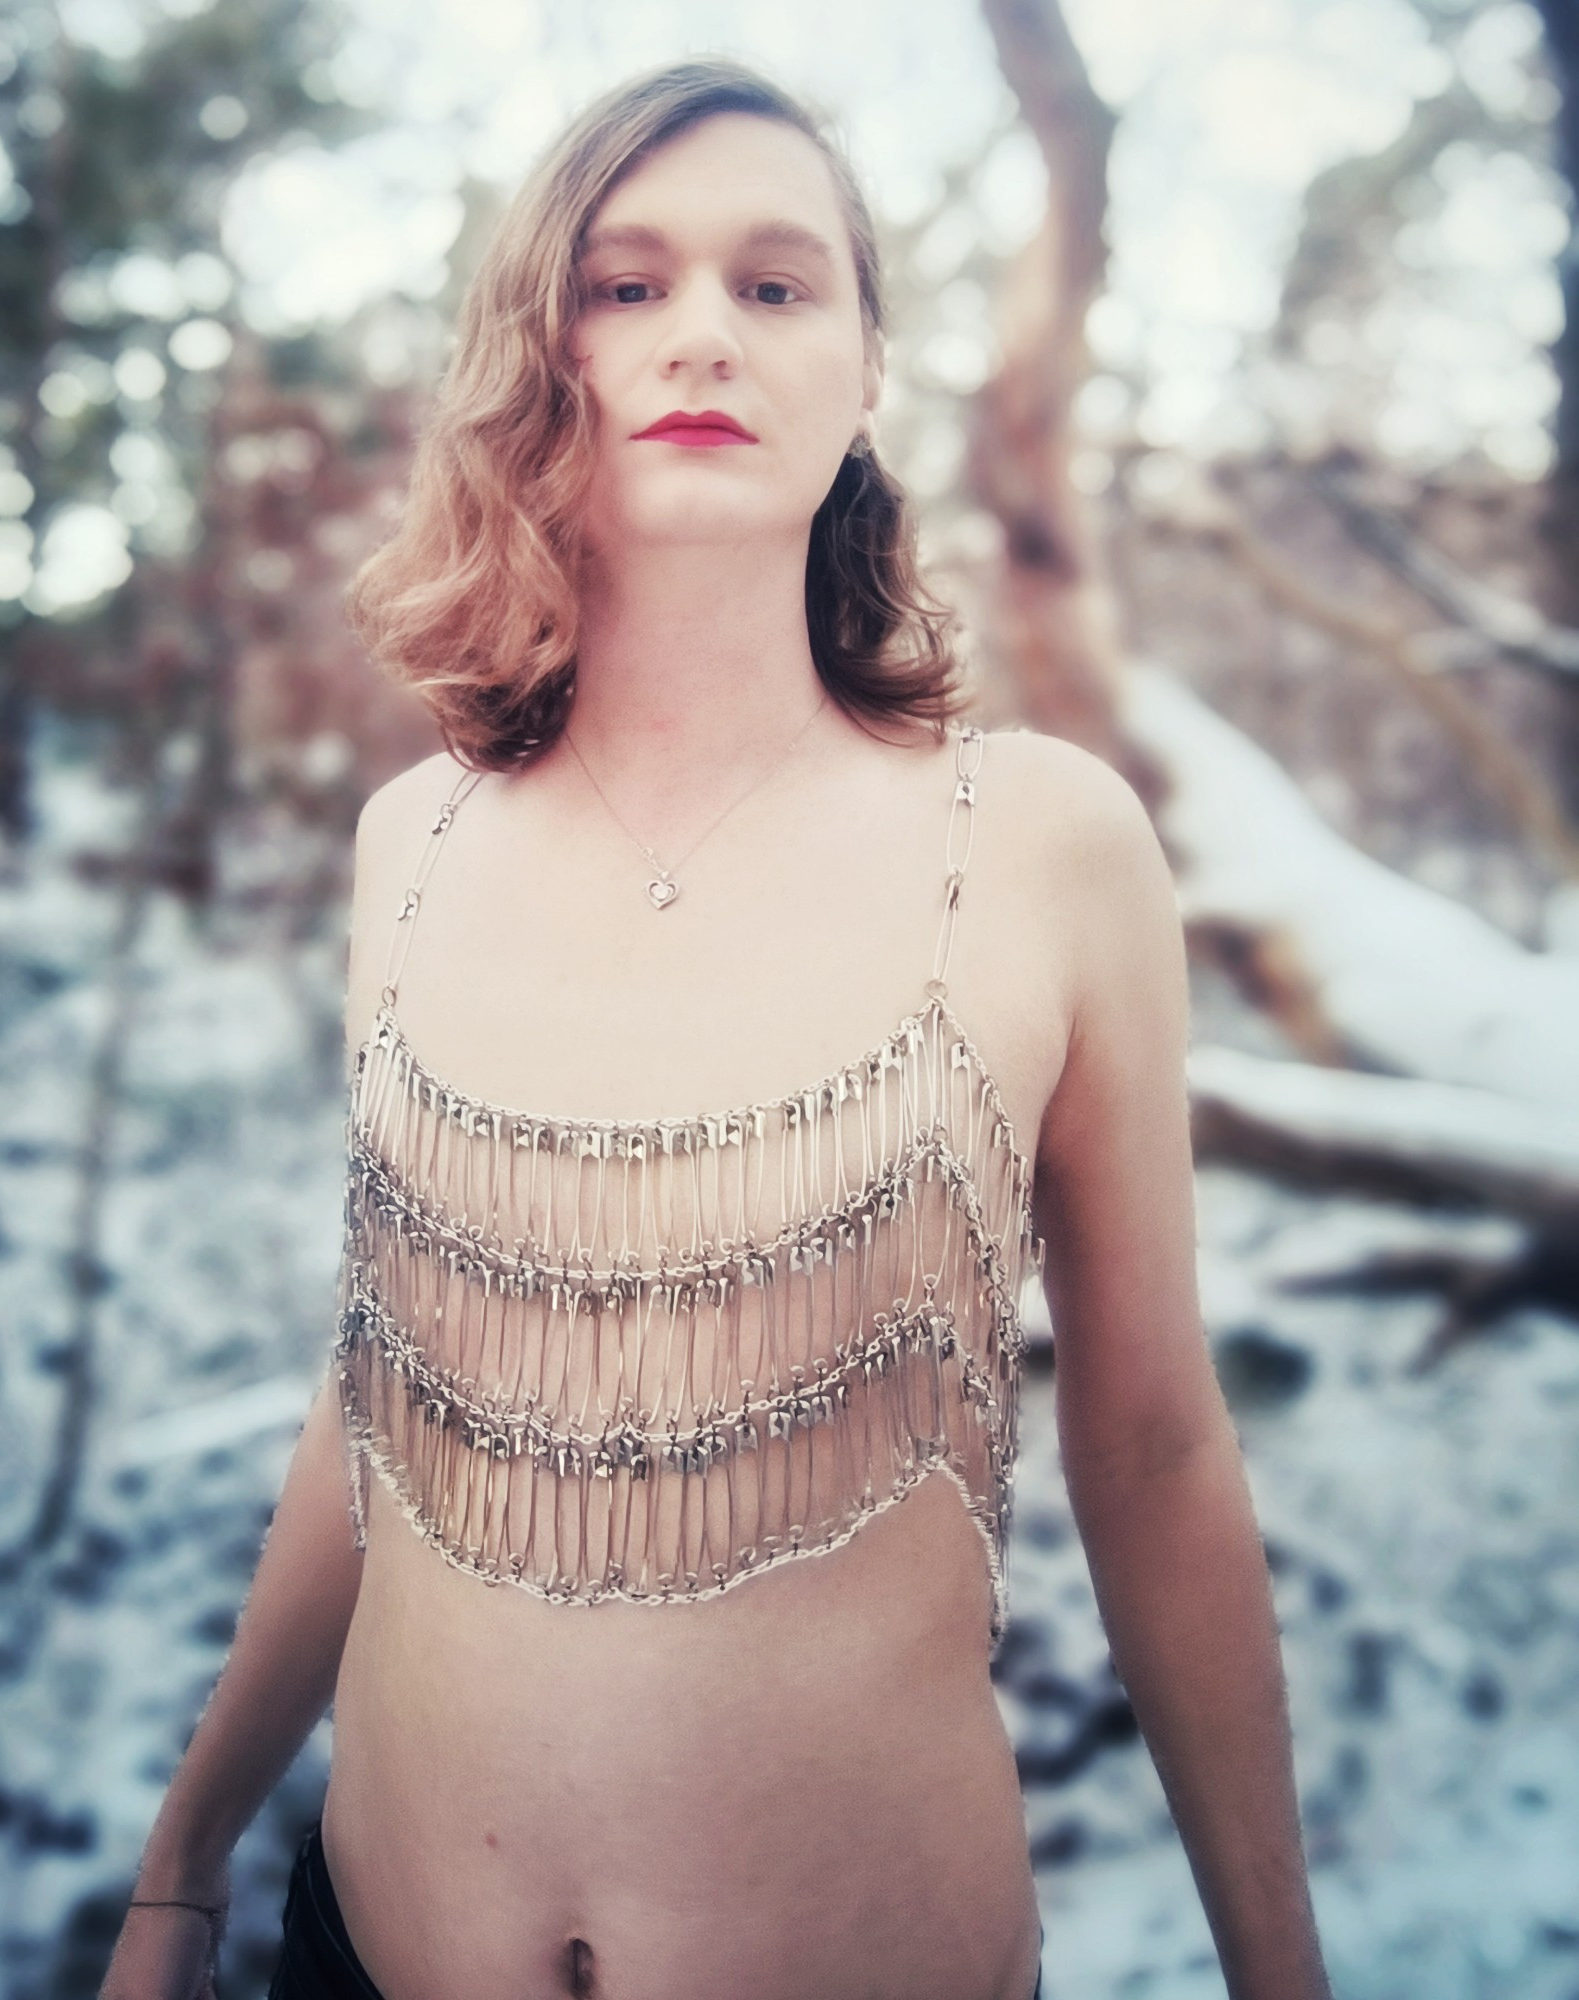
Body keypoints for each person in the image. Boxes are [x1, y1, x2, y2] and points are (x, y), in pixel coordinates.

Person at [99, 57, 1332, 2000]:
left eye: (774, 286)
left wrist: (1284, 1975)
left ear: (860, 377)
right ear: (539, 351)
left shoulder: (1034, 840)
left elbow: (1159, 1445)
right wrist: (182, 1863)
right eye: (623, 282)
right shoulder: (406, 846)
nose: (699, 334)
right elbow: (382, 1403)